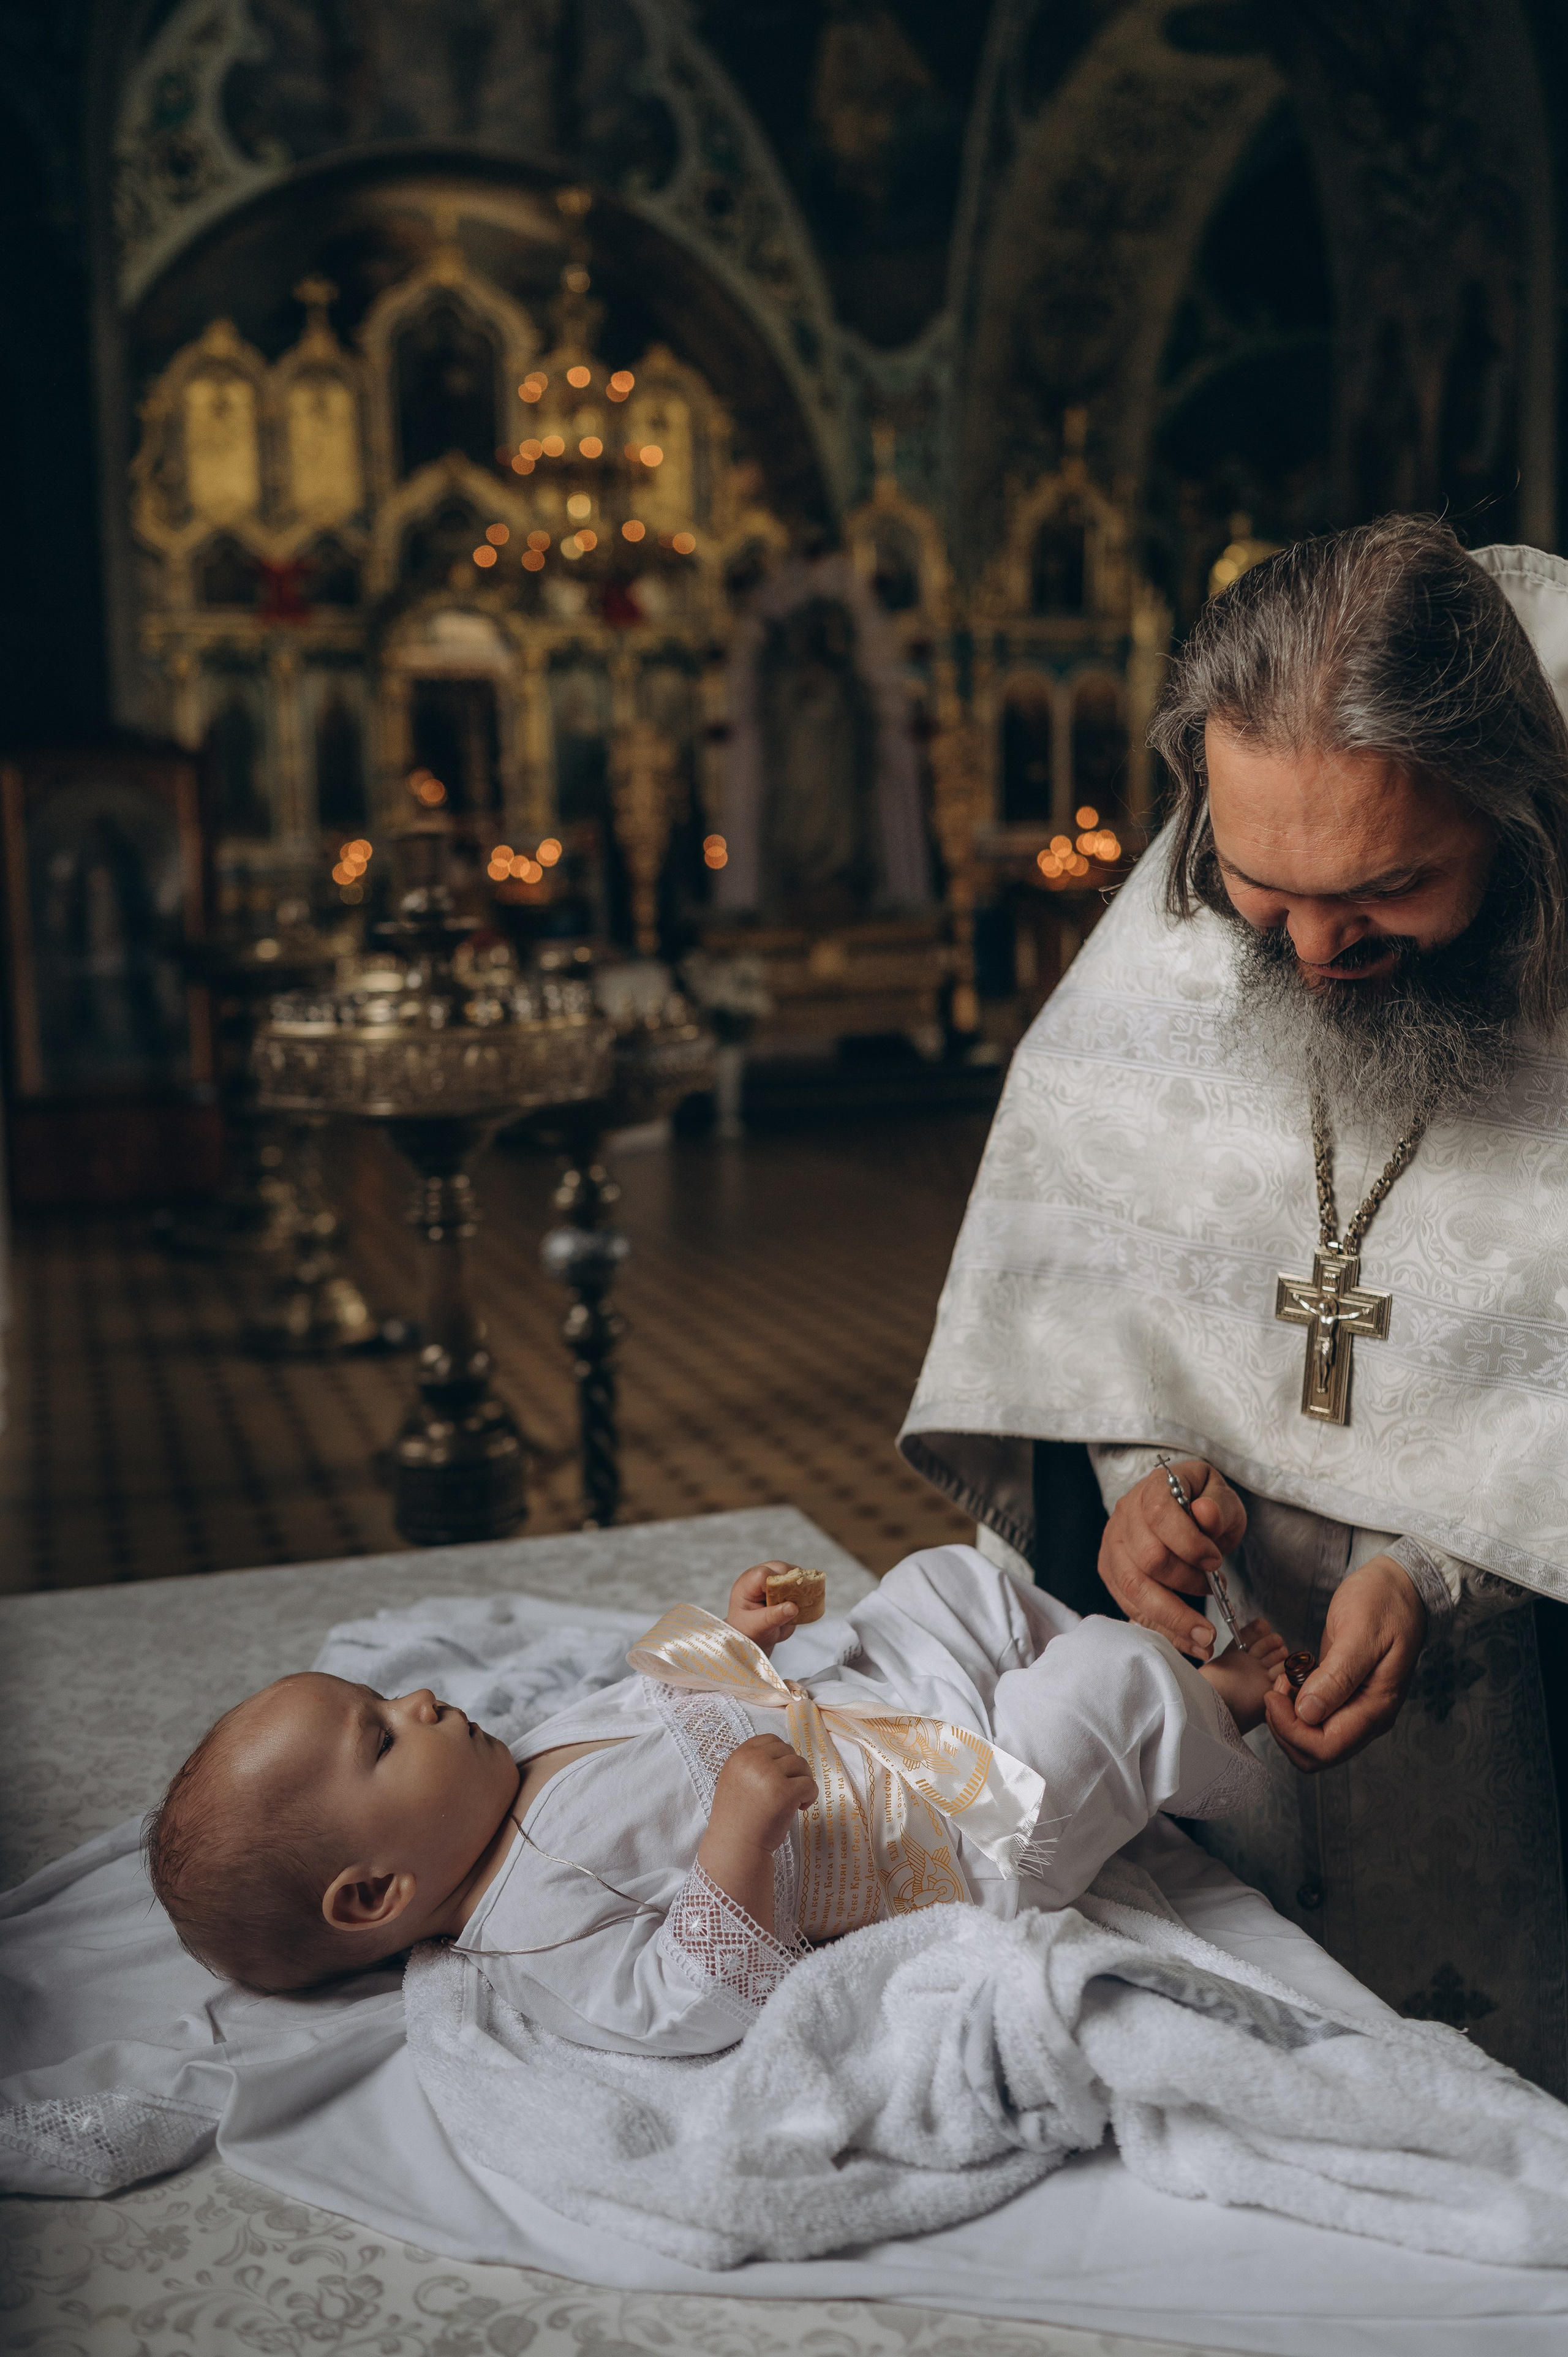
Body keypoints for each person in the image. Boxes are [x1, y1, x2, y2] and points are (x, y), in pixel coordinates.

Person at [900, 519, 1568, 2095]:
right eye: (1264, 892)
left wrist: (1437, 1569)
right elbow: (1089, 1255)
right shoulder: (1177, 936)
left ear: (1516, 821)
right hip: (1200, 1711)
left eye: (1390, 888)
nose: (1319, 950)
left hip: (1509, 1739)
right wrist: (1137, 1483)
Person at [145, 1549, 1286, 2051]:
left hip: (876, 1717)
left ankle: (1098, 1685)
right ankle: (1206, 1708)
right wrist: (736, 1841)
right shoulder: (533, 1929)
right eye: (384, 1736)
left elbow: (649, 1702)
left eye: (386, 1697)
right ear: (375, 1894)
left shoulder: (514, 1760)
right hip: (947, 1836)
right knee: (1095, 1694)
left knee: (942, 1581)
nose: (423, 1697)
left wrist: (735, 1642)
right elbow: (688, 2003)